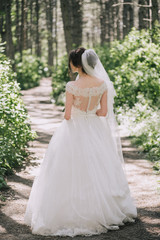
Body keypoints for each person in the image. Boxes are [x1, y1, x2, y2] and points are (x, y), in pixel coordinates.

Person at [24, 47, 137, 237]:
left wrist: (75, 111)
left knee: (68, 169)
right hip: (94, 129)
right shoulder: (102, 84)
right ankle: (104, 209)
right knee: (99, 167)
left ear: (77, 64)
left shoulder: (72, 86)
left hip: (74, 129)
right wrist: (89, 112)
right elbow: (103, 113)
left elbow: (67, 115)